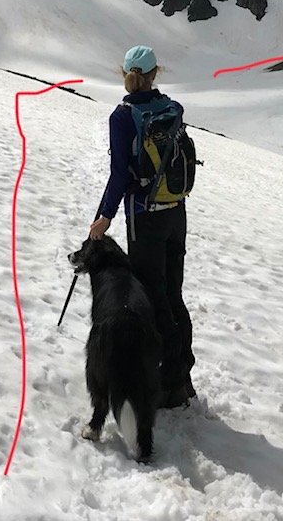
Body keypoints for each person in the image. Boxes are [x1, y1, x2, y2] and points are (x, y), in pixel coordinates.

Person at [89, 45, 196, 409]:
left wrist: (105, 215)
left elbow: (120, 174)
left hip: (144, 215)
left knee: (152, 297)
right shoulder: (173, 109)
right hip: (176, 212)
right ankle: (183, 375)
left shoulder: (123, 117)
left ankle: (168, 384)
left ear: (125, 73)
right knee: (174, 293)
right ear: (155, 73)